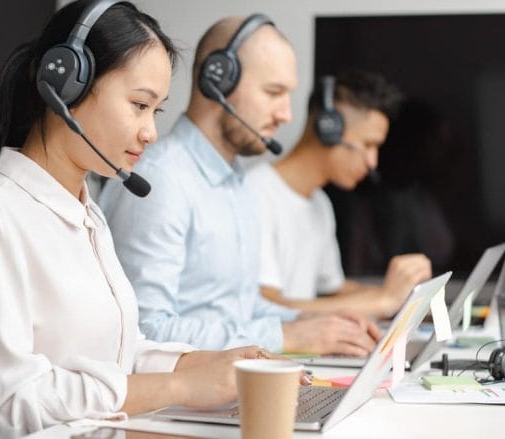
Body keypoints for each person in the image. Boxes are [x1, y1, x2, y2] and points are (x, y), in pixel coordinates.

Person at [0, 2, 273, 438]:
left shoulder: (87, 215)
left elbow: (114, 354)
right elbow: (13, 405)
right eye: (139, 105)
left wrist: (197, 362)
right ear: (65, 85)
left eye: (155, 111)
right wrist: (178, 385)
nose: (150, 132)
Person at [99, 15, 381, 357]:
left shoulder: (238, 183)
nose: (286, 115)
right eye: (273, 92)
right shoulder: (162, 181)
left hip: (230, 387)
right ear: (219, 78)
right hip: (172, 403)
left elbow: (241, 309)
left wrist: (314, 322)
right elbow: (144, 330)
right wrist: (287, 337)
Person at [246, 72, 433, 319]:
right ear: (328, 127)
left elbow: (333, 290)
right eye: (368, 144)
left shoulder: (320, 204)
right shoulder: (255, 192)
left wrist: (402, 296)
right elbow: (266, 307)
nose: (372, 162)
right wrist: (382, 301)